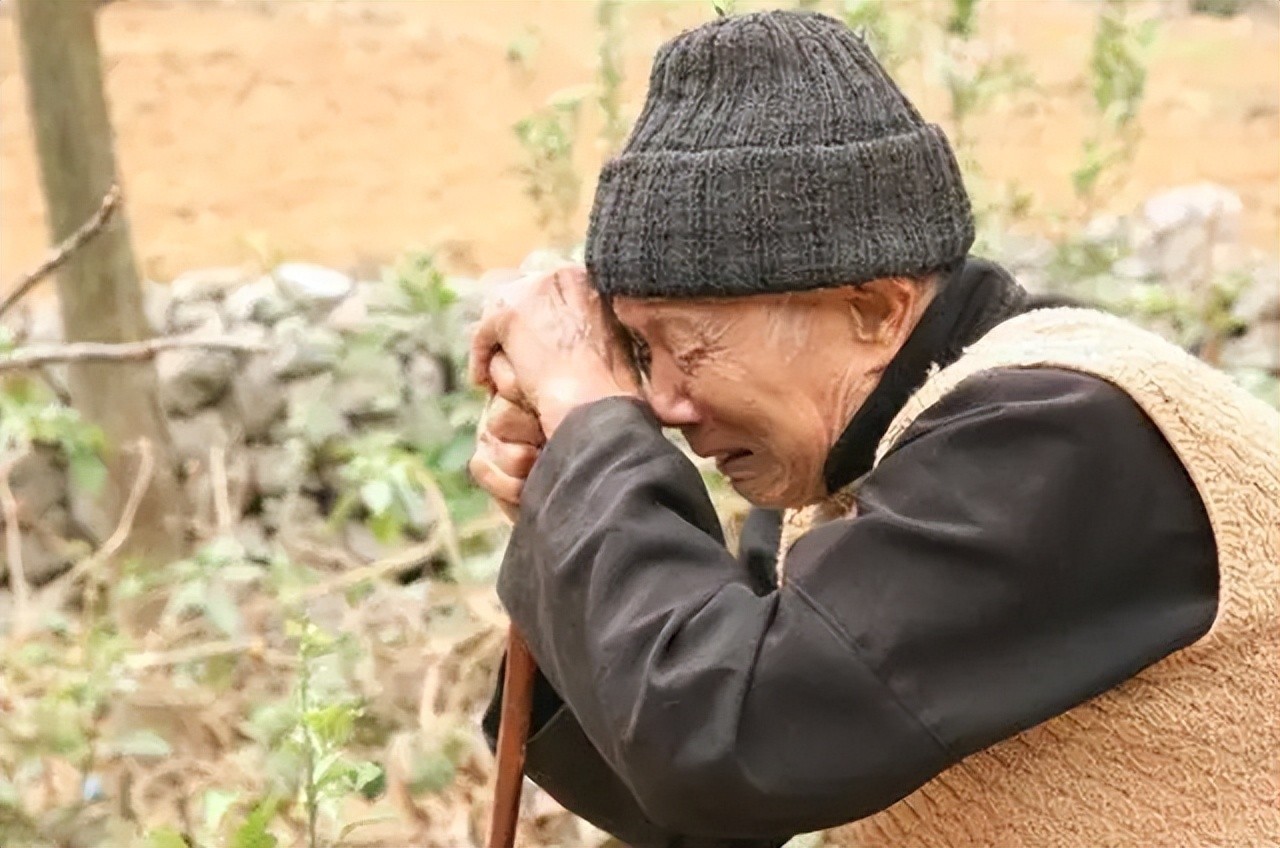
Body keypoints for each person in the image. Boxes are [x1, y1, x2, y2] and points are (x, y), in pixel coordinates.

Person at [466, 10, 1280, 848]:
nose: (662, 402)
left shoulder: (1061, 433)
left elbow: (729, 744)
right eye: (639, 351)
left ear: (874, 308)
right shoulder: (845, 474)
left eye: (689, 344)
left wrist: (591, 433)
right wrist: (572, 501)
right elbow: (686, 805)